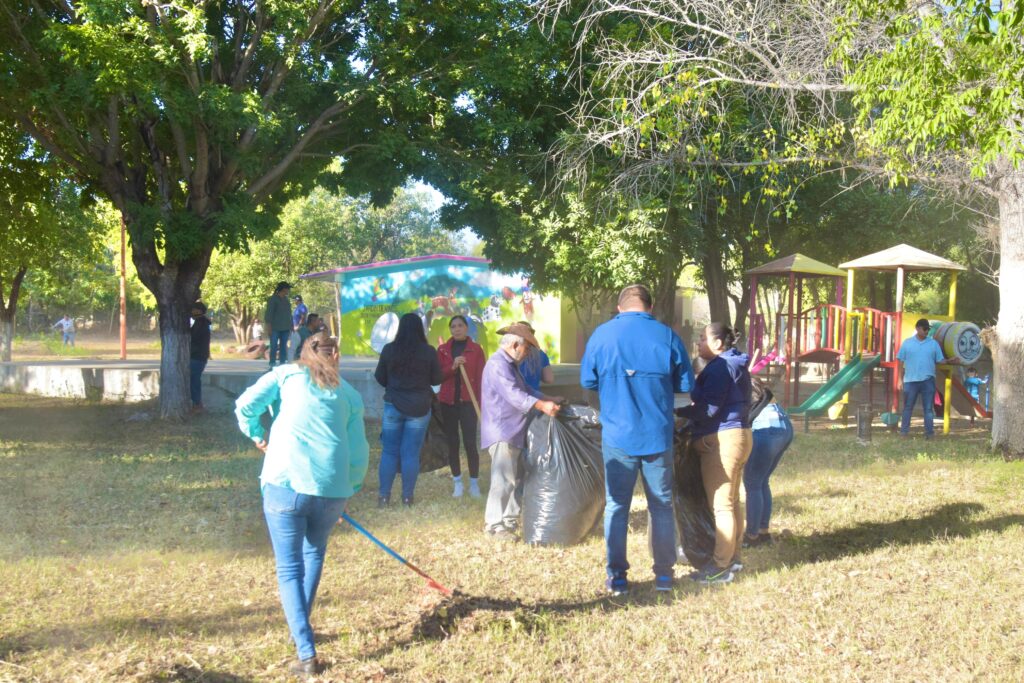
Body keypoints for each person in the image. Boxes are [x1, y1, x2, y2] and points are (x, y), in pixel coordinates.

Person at [234, 331, 369, 679]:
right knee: (313, 556)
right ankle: (301, 631)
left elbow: (245, 405)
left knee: (290, 567)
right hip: (331, 493)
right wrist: (346, 491)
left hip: (284, 486)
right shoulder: (350, 394)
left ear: (303, 352)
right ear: (335, 355)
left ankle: (306, 652)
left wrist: (257, 434)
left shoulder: (285, 375)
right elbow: (359, 453)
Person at [580, 284, 694, 595]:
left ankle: (617, 579)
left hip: (617, 435)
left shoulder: (602, 336)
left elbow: (587, 380)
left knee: (617, 506)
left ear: (620, 307)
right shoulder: (667, 336)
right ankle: (664, 577)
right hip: (657, 435)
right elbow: (685, 383)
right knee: (661, 504)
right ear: (650, 306)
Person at [676, 322, 752, 585]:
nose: (698, 343)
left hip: (722, 439)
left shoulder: (720, 367)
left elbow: (708, 409)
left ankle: (720, 566)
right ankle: (734, 558)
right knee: (732, 502)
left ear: (718, 343)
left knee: (721, 506)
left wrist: (679, 413)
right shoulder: (734, 364)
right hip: (741, 435)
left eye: (702, 338)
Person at [481, 323, 563, 539]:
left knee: (516, 478)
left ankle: (508, 520)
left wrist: (548, 398)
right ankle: (494, 525)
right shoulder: (498, 364)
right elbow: (515, 395)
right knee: (503, 479)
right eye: (527, 349)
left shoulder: (510, 365)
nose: (527, 355)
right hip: (502, 430)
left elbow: (526, 389)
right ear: (515, 345)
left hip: (514, 430)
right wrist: (542, 406)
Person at [374, 313, 443, 507]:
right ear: (420, 329)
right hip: (420, 407)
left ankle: (384, 497)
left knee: (389, 452)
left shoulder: (389, 349)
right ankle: (407, 498)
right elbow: (437, 379)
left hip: (393, 404)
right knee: (410, 453)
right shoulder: (428, 351)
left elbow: (380, 378)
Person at [438, 315, 486, 498]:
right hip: (448, 403)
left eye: (460, 326)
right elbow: (438, 376)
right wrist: (453, 366)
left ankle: (474, 483)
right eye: (453, 326)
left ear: (466, 328)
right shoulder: (443, 350)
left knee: (470, 443)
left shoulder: (476, 350)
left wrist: (481, 404)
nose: (456, 329)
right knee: (452, 443)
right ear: (450, 330)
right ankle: (457, 482)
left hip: (469, 402)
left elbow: (482, 378)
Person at [742, 378, 793, 548]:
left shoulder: (735, 381)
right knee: (762, 481)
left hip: (766, 429)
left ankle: (752, 536)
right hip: (784, 425)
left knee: (753, 483)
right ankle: (763, 532)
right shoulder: (751, 380)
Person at [897, 319, 958, 438]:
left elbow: (939, 360)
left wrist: (950, 361)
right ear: (918, 328)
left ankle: (929, 433)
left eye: (928, 329)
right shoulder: (907, 343)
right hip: (910, 381)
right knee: (908, 407)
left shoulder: (933, 344)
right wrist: (899, 379)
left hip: (928, 380)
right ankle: (904, 432)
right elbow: (900, 360)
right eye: (924, 329)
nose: (926, 331)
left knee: (928, 409)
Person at [513, 321, 554, 391]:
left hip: (515, 397)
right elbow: (549, 379)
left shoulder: (511, 352)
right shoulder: (541, 354)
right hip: (535, 397)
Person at [189, 302, 212, 414]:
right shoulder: (201, 322)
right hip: (199, 356)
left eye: (193, 309)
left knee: (194, 381)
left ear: (198, 311)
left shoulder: (200, 323)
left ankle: (197, 404)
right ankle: (196, 403)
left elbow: (194, 338)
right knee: (194, 380)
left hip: (197, 356)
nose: (191, 312)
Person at [265, 282, 293, 369]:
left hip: (285, 327)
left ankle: (282, 364)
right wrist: (269, 327)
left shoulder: (286, 300)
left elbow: (289, 313)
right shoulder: (273, 299)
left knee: (283, 346)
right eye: (287, 288)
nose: (288, 290)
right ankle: (272, 364)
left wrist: (291, 325)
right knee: (273, 346)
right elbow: (269, 314)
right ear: (283, 289)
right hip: (275, 328)